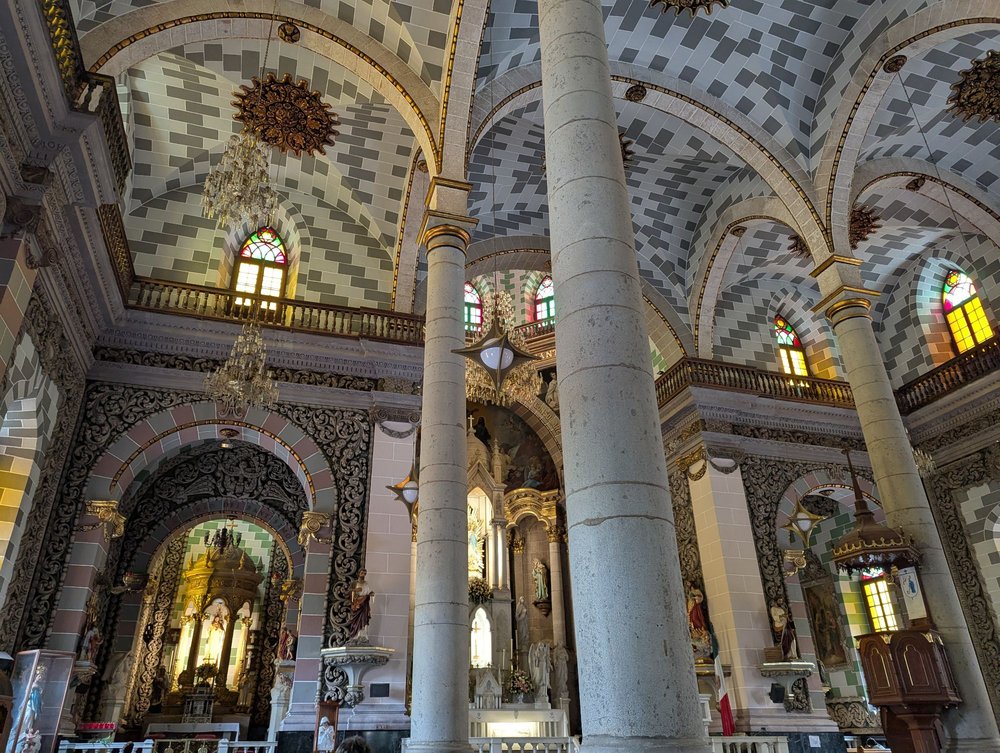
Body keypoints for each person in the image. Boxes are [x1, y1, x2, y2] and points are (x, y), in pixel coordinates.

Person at [347, 569, 374, 644]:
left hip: (364, 603)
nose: (363, 574)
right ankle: (354, 635)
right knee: (356, 619)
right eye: (362, 573)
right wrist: (355, 590)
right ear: (358, 573)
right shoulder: (354, 583)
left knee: (363, 618)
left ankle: (362, 635)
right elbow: (349, 592)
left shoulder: (366, 583)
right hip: (357, 603)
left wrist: (371, 593)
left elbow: (368, 591)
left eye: (365, 573)